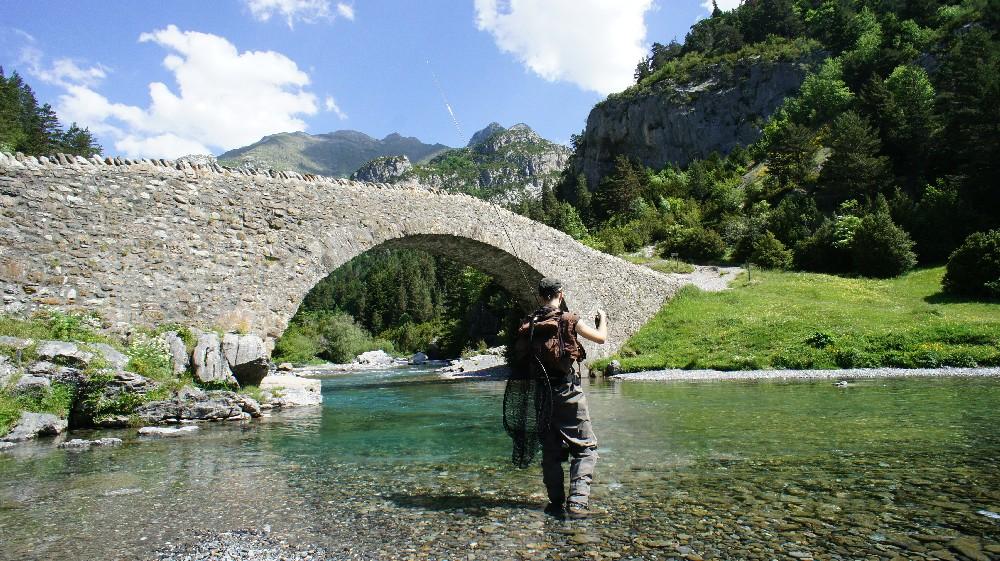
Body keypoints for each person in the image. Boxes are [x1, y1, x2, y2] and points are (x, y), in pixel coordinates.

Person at [519, 277, 607, 520]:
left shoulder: (530, 322)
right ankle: (577, 503)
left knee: (551, 450)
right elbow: (600, 338)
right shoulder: (569, 319)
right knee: (585, 448)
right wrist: (603, 320)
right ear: (561, 294)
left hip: (541, 394)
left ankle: (555, 502)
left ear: (540, 296)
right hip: (567, 391)